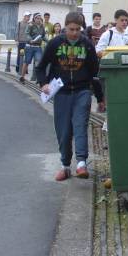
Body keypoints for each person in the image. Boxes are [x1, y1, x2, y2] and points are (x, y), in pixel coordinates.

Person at [36, 12, 104, 181]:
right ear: (65, 27)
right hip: (62, 92)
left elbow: (94, 73)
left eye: (77, 29)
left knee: (80, 125)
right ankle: (65, 166)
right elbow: (41, 67)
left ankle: (81, 163)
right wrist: (43, 83)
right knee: (64, 130)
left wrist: (100, 98)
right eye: (71, 29)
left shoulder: (87, 45)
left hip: (82, 91)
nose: (74, 33)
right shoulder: (55, 43)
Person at [22, 13, 46, 83]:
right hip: (30, 46)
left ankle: (38, 79)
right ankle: (22, 77)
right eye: (37, 18)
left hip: (38, 47)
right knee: (27, 62)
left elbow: (43, 36)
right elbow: (27, 34)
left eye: (40, 18)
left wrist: (49, 41)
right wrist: (30, 40)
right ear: (34, 18)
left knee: (39, 62)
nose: (39, 20)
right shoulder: (30, 25)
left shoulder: (42, 26)